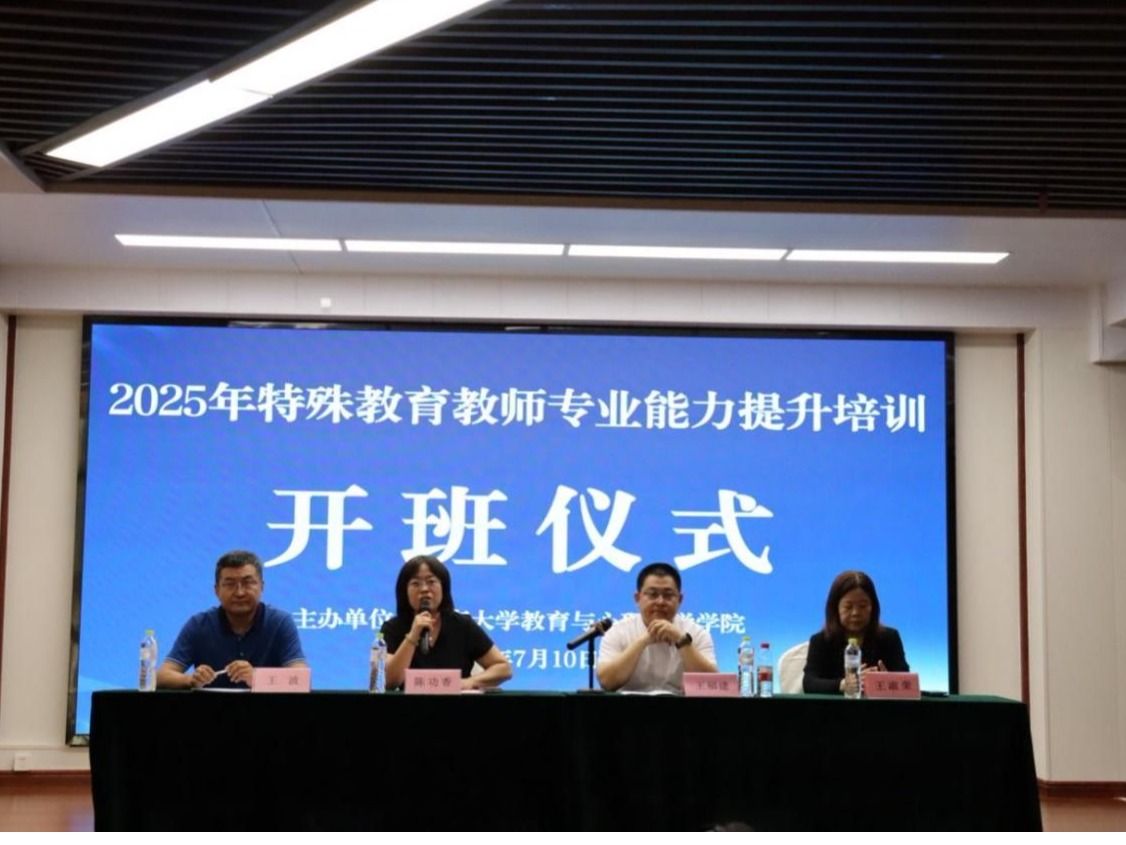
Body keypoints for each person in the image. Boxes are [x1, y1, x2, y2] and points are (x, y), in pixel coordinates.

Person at [156, 550, 306, 689]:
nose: (239, 592)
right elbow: (161, 676)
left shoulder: (280, 622)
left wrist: (257, 678)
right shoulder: (199, 624)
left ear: (262, 586)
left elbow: (301, 679)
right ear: (217, 590)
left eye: (247, 583)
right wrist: (191, 680)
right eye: (229, 584)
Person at [381, 554, 512, 690]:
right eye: (415, 583)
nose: (424, 589)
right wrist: (413, 636)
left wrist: (470, 682)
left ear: (444, 588)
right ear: (404, 591)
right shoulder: (392, 628)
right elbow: (388, 681)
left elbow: (503, 668)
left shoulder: (463, 625)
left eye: (431, 582)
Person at [597, 561, 717, 693]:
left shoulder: (697, 633)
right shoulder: (617, 631)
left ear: (680, 599)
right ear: (637, 598)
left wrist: (681, 640)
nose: (660, 602)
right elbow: (607, 682)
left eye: (668, 595)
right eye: (652, 594)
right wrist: (642, 641)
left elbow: (712, 685)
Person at [802, 569, 908, 694]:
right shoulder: (820, 641)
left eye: (863, 606)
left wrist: (888, 680)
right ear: (835, 608)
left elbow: (908, 681)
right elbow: (809, 683)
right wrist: (843, 684)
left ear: (873, 607)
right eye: (848, 607)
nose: (856, 613)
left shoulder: (890, 638)